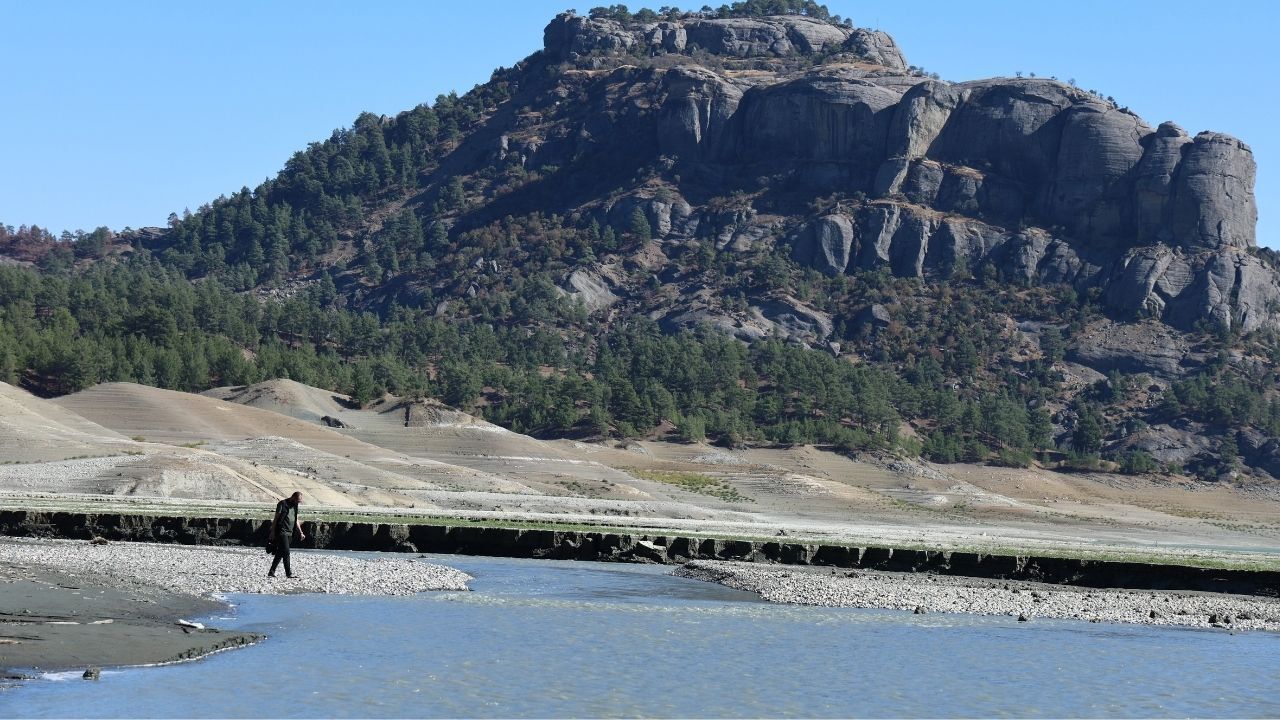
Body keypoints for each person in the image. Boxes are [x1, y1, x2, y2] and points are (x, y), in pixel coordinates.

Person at [268, 491, 306, 578]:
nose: (298, 503)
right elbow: (276, 518)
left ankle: (271, 571)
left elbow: (296, 519)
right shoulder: (282, 504)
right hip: (281, 531)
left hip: (290, 532)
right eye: (297, 501)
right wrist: (272, 532)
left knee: (281, 552)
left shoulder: (295, 506)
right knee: (286, 552)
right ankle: (289, 574)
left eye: (299, 502)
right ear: (293, 497)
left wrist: (300, 532)